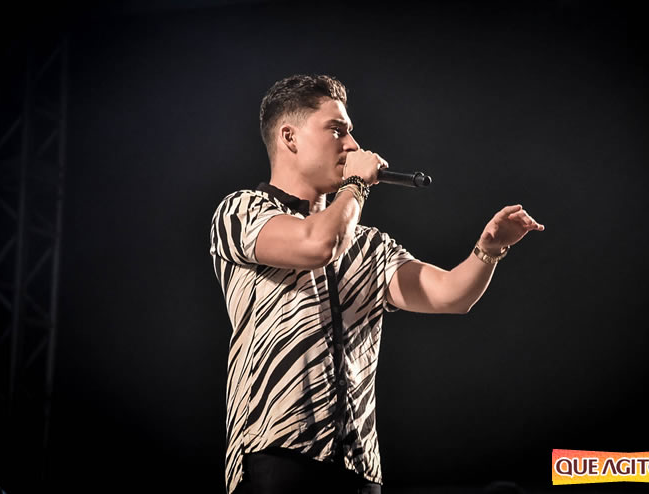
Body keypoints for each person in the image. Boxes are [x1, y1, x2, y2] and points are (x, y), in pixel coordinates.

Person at [209, 74, 544, 494]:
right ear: (289, 137)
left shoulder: (367, 244)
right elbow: (318, 243)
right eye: (337, 130)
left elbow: (451, 295)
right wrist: (356, 185)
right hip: (277, 457)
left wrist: (489, 249)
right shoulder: (241, 211)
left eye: (350, 132)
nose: (352, 145)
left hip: (359, 469)